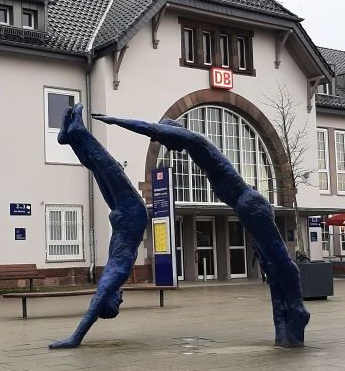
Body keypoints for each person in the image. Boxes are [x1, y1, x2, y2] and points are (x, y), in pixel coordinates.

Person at [94, 114, 310, 347]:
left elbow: (148, 127)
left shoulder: (195, 140)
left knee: (279, 259)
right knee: (270, 265)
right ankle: (283, 326)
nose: (169, 147)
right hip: (245, 206)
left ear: (173, 132)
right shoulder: (194, 148)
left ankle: (297, 308)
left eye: (166, 140)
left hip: (250, 204)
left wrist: (113, 120)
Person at [48, 105, 148, 349]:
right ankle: (73, 137)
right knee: (102, 169)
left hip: (131, 215)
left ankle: (76, 135)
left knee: (107, 167)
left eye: (117, 304)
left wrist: (75, 338)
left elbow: (96, 303)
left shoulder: (116, 274)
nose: (121, 300)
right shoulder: (116, 274)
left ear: (107, 300)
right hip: (125, 218)